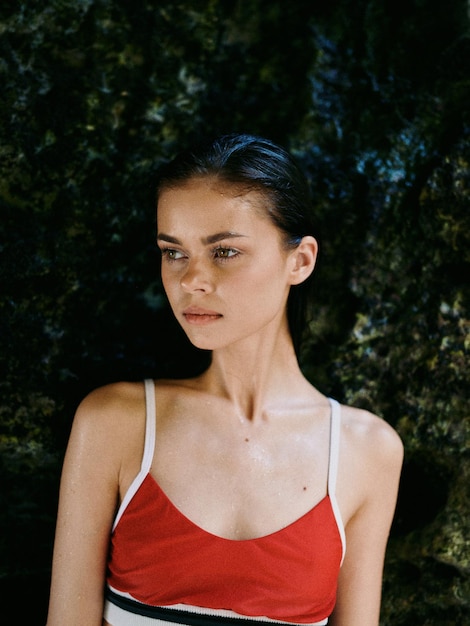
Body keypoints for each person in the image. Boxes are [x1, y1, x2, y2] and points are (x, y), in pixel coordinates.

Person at [46, 133, 404, 626]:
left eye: (225, 252)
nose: (192, 279)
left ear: (299, 261)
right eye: (174, 252)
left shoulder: (368, 451)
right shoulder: (116, 423)